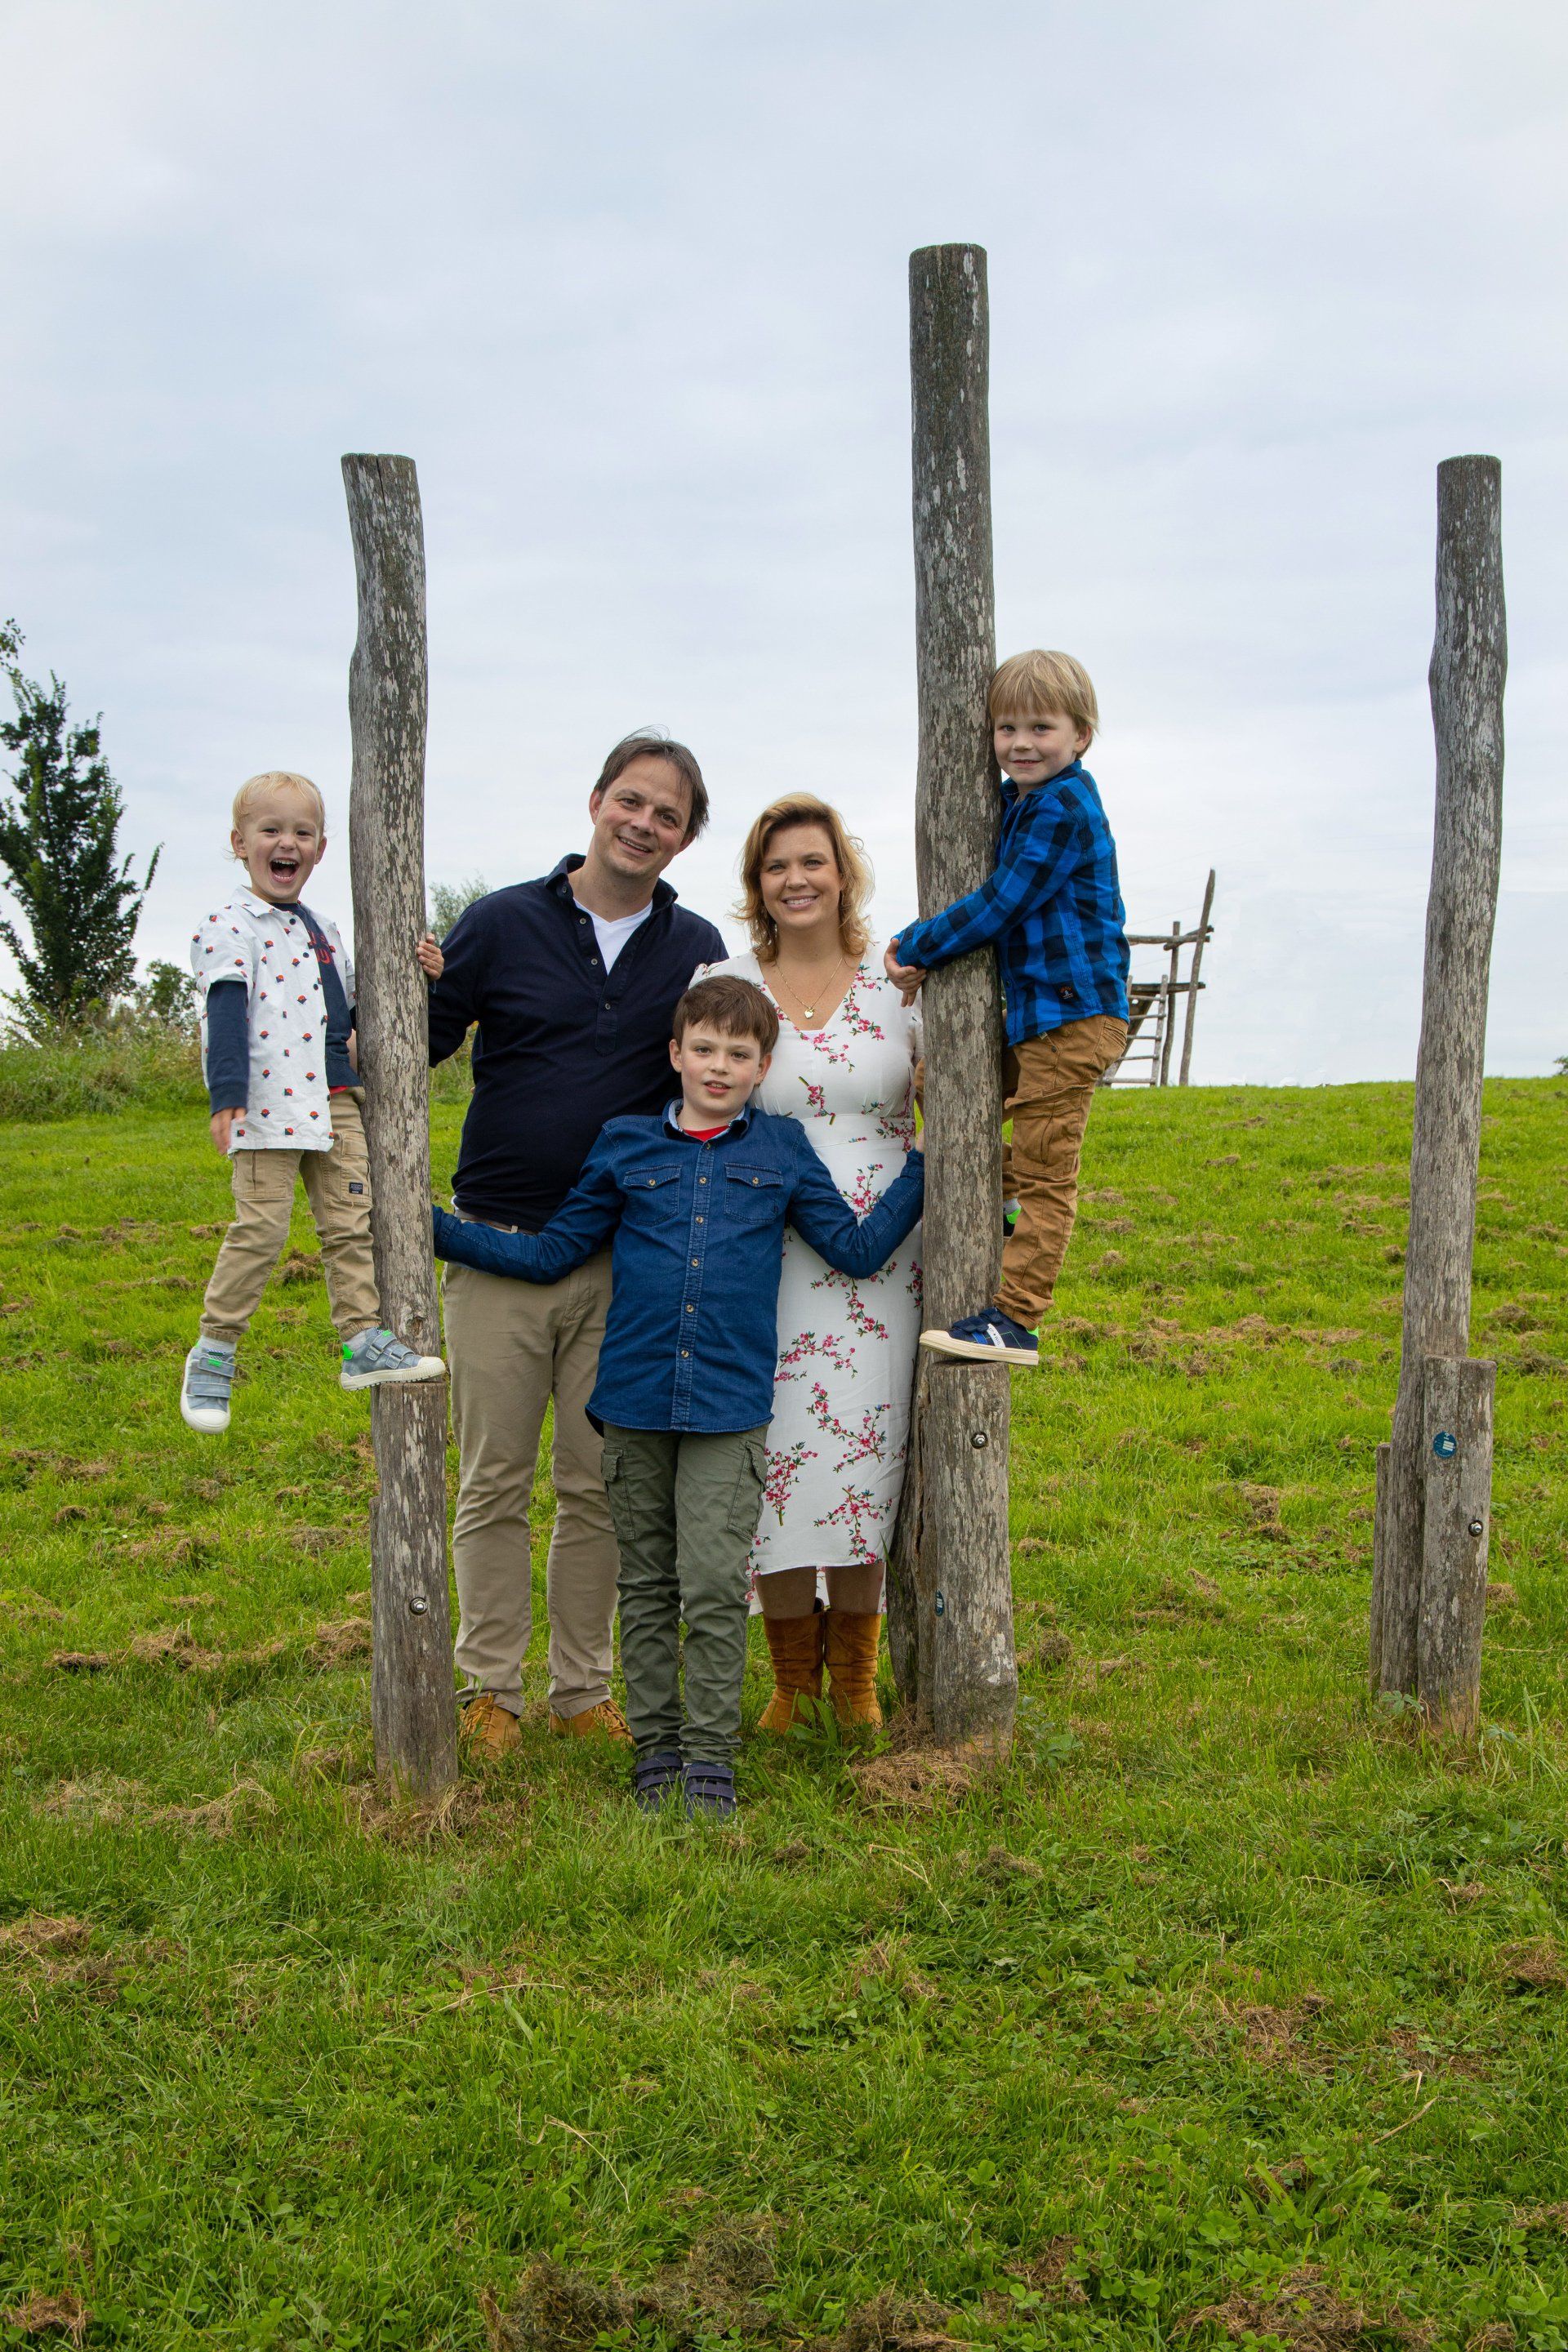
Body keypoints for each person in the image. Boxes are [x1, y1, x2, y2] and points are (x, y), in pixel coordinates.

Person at [430, 973, 924, 1819]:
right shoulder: (625, 1145)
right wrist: (432, 1226)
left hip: (730, 1409)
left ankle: (708, 1756)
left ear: (763, 1065)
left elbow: (851, 1247)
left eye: (739, 1054)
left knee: (710, 1580)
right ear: (675, 1054)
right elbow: (555, 1255)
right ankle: (656, 1748)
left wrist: (924, 1169)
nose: (720, 1066)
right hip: (633, 1402)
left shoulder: (780, 1151)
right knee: (650, 1586)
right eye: (704, 1049)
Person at [425, 734, 727, 1759]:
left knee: (599, 1483)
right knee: (493, 1479)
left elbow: (740, 1067)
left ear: (686, 837)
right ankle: (491, 1693)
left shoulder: (696, 949)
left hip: (624, 1257)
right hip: (497, 1246)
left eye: (668, 815)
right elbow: (413, 1036)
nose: (643, 824)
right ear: (596, 801)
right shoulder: (502, 922)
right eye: (630, 801)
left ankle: (582, 1690)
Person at [696, 795, 921, 1733]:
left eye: (813, 862)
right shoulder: (727, 976)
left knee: (868, 1456)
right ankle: (790, 1681)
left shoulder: (899, 980)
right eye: (776, 865)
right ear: (757, 883)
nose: (796, 879)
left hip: (888, 1249)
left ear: (843, 873)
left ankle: (860, 1683)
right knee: (781, 1459)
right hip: (765, 1246)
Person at [180, 771, 447, 1435]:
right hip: (265, 1108)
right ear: (239, 843)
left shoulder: (324, 928)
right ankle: (215, 1352)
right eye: (271, 830)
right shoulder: (228, 924)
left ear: (321, 849)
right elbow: (227, 1010)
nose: (286, 843)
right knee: (261, 1234)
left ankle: (361, 1343)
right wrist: (227, 1095)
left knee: (350, 1225)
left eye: (301, 833)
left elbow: (361, 1012)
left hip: (335, 1104)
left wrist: (422, 976)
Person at [886, 650, 1129, 1369]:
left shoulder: (1063, 807)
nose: (1021, 743)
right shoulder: (1020, 800)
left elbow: (1004, 902)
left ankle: (1015, 1321)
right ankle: (998, 1204)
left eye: (1041, 728)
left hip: (1073, 1016)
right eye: (1006, 728)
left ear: (1081, 735)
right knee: (942, 1083)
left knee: (1049, 1171)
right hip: (1037, 1017)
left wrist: (919, 944)